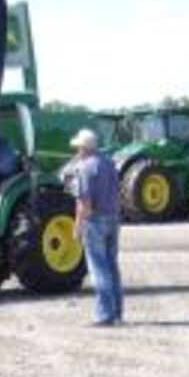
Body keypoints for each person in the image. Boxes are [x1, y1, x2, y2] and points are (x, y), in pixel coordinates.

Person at [67, 127, 122, 326]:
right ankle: (117, 312)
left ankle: (104, 315)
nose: (76, 151)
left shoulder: (83, 168)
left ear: (83, 148)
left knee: (99, 269)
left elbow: (85, 204)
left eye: (78, 148)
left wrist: (77, 226)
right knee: (112, 266)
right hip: (114, 218)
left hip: (95, 220)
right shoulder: (109, 164)